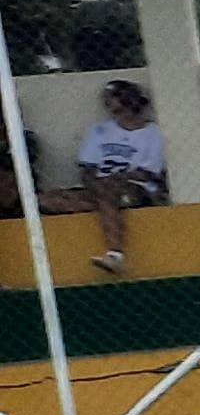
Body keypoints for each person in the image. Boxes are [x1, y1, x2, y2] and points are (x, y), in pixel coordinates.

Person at [74, 79, 166, 274]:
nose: (107, 101)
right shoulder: (99, 130)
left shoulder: (152, 133)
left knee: (109, 194)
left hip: (134, 187)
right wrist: (95, 184)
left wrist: (113, 181)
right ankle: (109, 205)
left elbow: (147, 173)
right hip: (100, 187)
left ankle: (115, 255)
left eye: (113, 96)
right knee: (46, 201)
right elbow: (87, 169)